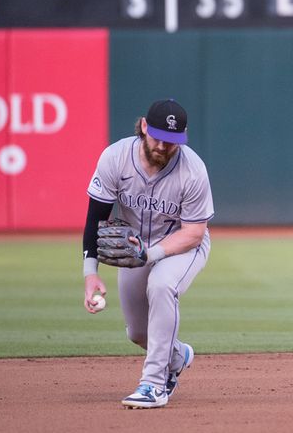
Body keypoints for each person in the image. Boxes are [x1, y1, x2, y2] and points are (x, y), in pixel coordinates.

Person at [82, 98, 214, 408]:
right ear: (143, 127)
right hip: (135, 246)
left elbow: (193, 232)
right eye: (157, 137)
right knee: (139, 333)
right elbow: (95, 218)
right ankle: (177, 355)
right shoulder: (115, 158)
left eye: (172, 141)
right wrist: (91, 274)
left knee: (162, 284)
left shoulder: (192, 170)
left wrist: (152, 254)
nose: (164, 146)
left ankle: (154, 385)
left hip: (181, 245)